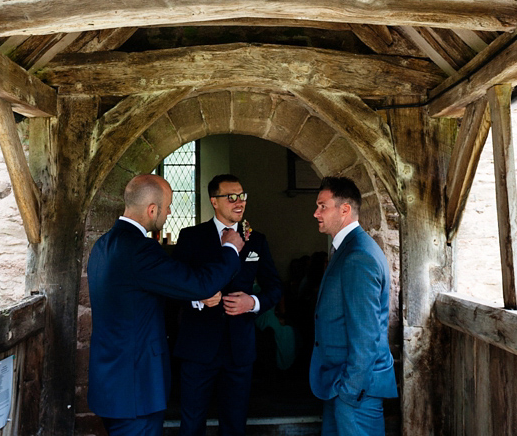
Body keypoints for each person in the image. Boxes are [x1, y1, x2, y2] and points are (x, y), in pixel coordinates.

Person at [88, 174, 246, 436]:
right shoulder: (140, 249)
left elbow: (139, 294)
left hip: (110, 381)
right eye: (168, 205)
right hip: (136, 387)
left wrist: (193, 296)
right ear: (152, 209)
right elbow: (199, 283)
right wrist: (230, 249)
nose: (170, 211)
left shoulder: (102, 245)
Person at [173, 174, 283, 436]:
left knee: (235, 424)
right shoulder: (191, 237)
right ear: (214, 201)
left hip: (239, 348)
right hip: (198, 348)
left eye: (242, 196)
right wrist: (197, 298)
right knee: (191, 423)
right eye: (231, 197)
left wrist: (252, 302)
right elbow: (172, 287)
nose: (239, 202)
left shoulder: (256, 240)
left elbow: (275, 287)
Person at [309, 176, 397, 436]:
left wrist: (350, 391)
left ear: (344, 210)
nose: (316, 213)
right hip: (342, 386)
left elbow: (366, 334)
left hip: (355, 391)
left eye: (322, 206)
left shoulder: (358, 255)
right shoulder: (349, 249)